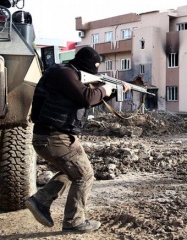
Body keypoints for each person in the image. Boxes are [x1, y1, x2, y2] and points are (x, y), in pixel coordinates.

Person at [25, 46, 131, 233]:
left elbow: (86, 98)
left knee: (73, 172)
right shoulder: (64, 74)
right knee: (84, 175)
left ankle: (41, 200)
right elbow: (86, 97)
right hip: (54, 137)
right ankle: (73, 222)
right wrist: (105, 89)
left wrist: (113, 91)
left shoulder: (67, 74)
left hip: (55, 136)